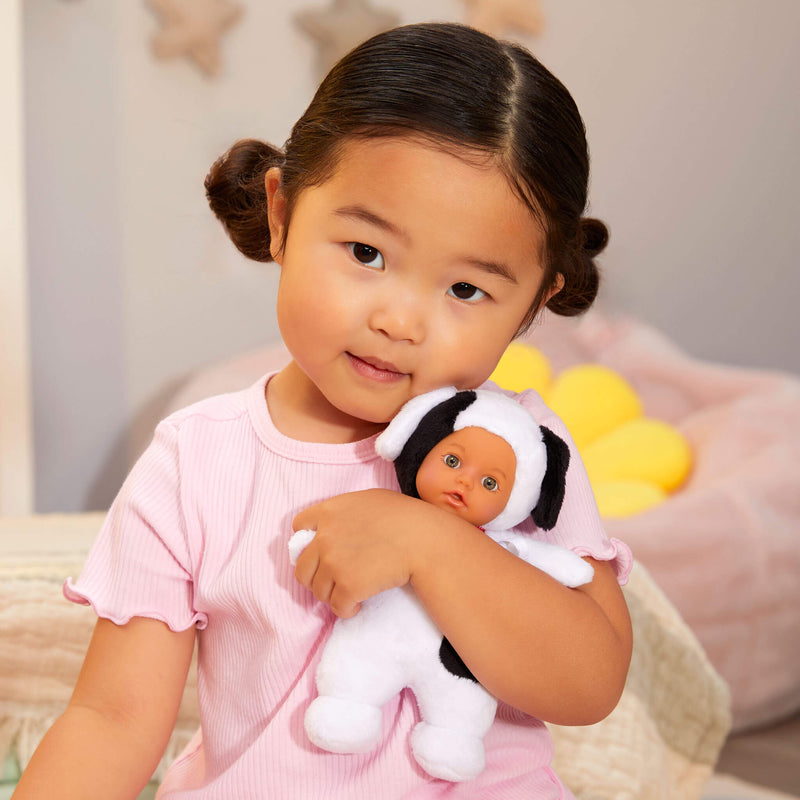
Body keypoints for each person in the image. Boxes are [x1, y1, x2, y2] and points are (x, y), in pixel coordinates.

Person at [13, 22, 633, 800]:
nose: (400, 321)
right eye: (366, 254)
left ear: (533, 304)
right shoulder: (196, 461)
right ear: (281, 216)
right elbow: (110, 718)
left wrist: (428, 541)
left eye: (466, 290)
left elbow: (589, 683)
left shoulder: (518, 451)